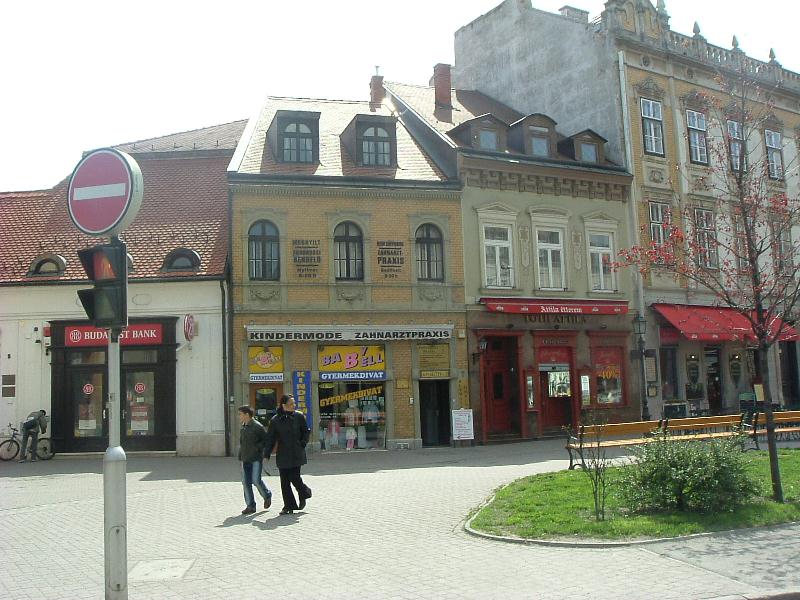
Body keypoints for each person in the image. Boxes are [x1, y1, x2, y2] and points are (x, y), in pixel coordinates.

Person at [265, 394, 312, 515]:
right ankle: (288, 506)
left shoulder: (299, 416)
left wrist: (302, 444)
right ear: (284, 405)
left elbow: (305, 432)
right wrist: (267, 453)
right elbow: (270, 438)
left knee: (295, 478)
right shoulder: (275, 420)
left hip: (296, 452)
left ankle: (304, 493)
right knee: (284, 481)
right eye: (291, 404)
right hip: (283, 453)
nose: (294, 406)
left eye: (294, 403)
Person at [237, 406, 272, 515]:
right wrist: (240, 456)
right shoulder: (243, 427)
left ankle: (267, 495)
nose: (239, 417)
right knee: (246, 482)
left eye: (240, 414)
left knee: (256, 480)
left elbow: (266, 441)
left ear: (247, 415)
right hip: (245, 458)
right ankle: (250, 505)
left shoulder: (257, 426)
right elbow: (242, 444)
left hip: (256, 458)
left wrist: (258, 448)